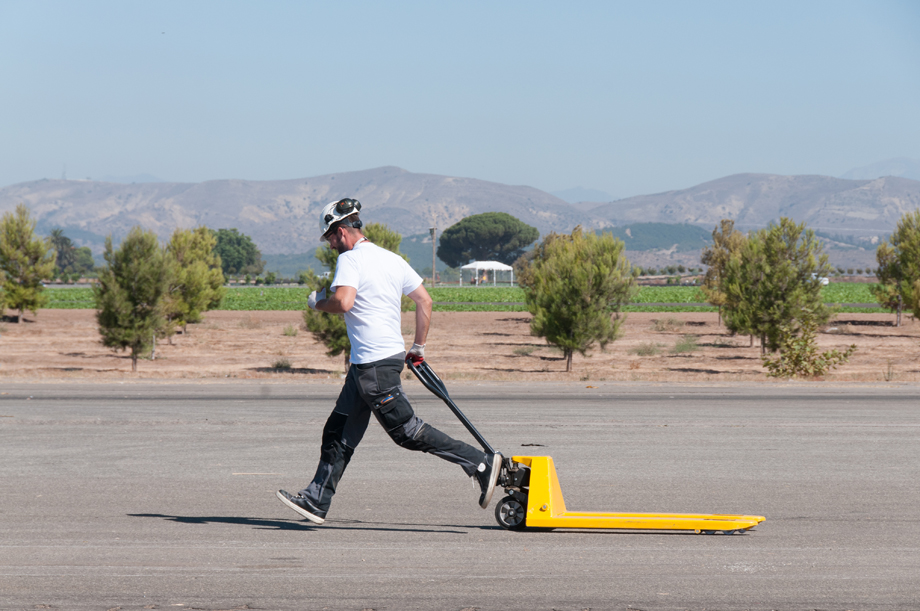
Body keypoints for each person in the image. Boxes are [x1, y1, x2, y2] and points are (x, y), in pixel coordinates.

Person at [276, 198, 502, 524]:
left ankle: (479, 463)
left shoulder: (351, 260)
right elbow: (424, 300)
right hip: (374, 362)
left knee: (406, 431)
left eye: (329, 238)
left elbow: (343, 301)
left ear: (340, 231)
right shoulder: (392, 259)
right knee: (338, 431)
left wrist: (318, 303)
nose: (330, 245)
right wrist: (418, 347)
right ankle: (316, 499)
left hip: (374, 366)